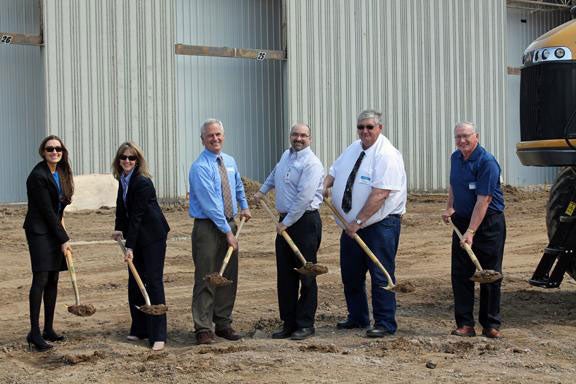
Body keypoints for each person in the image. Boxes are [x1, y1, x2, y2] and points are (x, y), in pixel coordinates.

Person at [323, 109, 407, 338]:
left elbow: (381, 193)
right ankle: (358, 317)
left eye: (370, 127)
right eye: (361, 127)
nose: (365, 131)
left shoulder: (387, 155)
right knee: (351, 274)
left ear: (380, 128)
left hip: (379, 225)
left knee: (381, 274)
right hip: (350, 225)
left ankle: (385, 322)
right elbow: (334, 170)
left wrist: (359, 221)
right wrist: (325, 185)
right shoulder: (354, 148)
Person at [254, 123, 324, 340]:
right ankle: (289, 322)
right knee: (285, 275)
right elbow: (275, 174)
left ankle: (305, 324)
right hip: (285, 221)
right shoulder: (286, 155)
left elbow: (304, 197)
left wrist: (288, 222)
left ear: (310, 139)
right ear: (290, 136)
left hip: (304, 223)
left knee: (306, 272)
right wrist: (262, 191)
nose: (299, 138)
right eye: (295, 134)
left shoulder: (312, 164)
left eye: (303, 135)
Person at [188, 119, 252, 345]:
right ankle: (203, 327)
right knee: (207, 276)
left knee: (227, 276)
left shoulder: (230, 161)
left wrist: (243, 206)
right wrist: (227, 231)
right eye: (210, 136)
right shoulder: (200, 167)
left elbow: (237, 187)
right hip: (208, 227)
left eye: (218, 134)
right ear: (202, 139)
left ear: (223, 135)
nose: (215, 139)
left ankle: (223, 322)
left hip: (230, 223)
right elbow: (210, 203)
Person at [441, 122, 505, 339]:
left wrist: (471, 231)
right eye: (458, 137)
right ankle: (465, 325)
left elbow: (484, 200)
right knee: (461, 274)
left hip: (487, 224)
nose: (461, 141)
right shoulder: (455, 157)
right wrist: (450, 207)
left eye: (466, 136)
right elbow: (453, 184)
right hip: (462, 221)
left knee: (489, 273)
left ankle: (490, 324)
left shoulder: (487, 162)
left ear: (476, 136)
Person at [111, 142, 170, 351]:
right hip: (138, 236)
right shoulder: (123, 180)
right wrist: (119, 228)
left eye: (132, 158)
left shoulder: (142, 182)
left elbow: (137, 216)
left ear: (138, 161)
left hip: (153, 237)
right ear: (118, 160)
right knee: (135, 283)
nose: (127, 161)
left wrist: (130, 247)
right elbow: (122, 206)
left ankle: (159, 334)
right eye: (124, 157)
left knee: (153, 282)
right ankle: (140, 328)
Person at [23, 135, 74, 351]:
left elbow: (58, 209)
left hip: (53, 228)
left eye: (58, 149)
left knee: (53, 278)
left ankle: (48, 329)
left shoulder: (60, 172)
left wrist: (62, 231)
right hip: (39, 231)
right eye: (50, 149)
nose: (54, 152)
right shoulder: (38, 176)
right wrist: (64, 238)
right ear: (43, 152)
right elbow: (45, 211)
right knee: (41, 277)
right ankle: (34, 333)